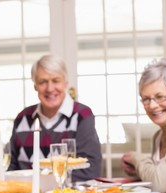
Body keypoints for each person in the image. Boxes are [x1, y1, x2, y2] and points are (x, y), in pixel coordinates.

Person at [8, 54, 102, 182]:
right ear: (35, 85)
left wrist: (44, 181)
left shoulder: (81, 116)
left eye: (56, 81)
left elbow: (92, 169)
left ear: (66, 83)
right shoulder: (23, 118)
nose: (50, 88)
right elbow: (11, 167)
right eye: (43, 82)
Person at [121, 58, 166, 193]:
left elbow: (158, 182)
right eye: (146, 99)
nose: (153, 105)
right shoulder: (159, 136)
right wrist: (137, 170)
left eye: (160, 96)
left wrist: (136, 158)